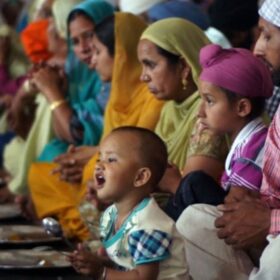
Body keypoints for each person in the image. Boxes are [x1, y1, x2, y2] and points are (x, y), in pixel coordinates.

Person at [28, 12, 163, 240]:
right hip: (103, 176)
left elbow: (138, 155)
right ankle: (86, 227)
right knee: (42, 173)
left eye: (98, 51)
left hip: (128, 184)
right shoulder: (116, 95)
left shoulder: (153, 99)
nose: (92, 59)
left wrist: (93, 158)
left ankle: (88, 231)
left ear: (120, 55)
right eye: (76, 41)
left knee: (87, 173)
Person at [176, 0, 280, 279]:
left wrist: (270, 221)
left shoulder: (252, 142)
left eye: (268, 35)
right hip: (268, 227)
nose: (257, 48)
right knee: (194, 221)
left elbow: (243, 200)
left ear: (242, 108)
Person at [164, 44, 273, 220]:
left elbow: (235, 211)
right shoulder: (248, 142)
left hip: (248, 238)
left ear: (242, 107)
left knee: (194, 183)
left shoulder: (253, 151)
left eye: (209, 101)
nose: (200, 112)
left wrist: (177, 185)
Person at [68, 126, 189, 280]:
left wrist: (101, 272)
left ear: (140, 177)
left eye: (111, 160)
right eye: (99, 159)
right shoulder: (112, 214)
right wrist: (95, 262)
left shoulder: (148, 225)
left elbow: (142, 277)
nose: (98, 165)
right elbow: (126, 265)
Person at [137, 18, 228, 185]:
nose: (143, 77)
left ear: (183, 66)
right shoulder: (169, 111)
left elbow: (192, 192)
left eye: (151, 65)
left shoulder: (209, 115)